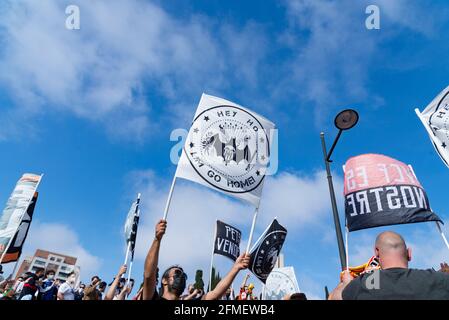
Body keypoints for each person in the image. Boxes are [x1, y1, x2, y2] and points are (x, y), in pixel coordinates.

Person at [142, 219, 250, 300]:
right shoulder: (152, 298)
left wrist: (235, 268)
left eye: (183, 275)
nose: (181, 277)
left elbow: (216, 293)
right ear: (164, 280)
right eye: (177, 273)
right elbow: (148, 275)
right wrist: (157, 239)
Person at [329, 231, 449, 300]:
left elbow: (335, 297)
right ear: (409, 253)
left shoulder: (366, 283)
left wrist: (346, 283)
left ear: (376, 252)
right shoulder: (438, 280)